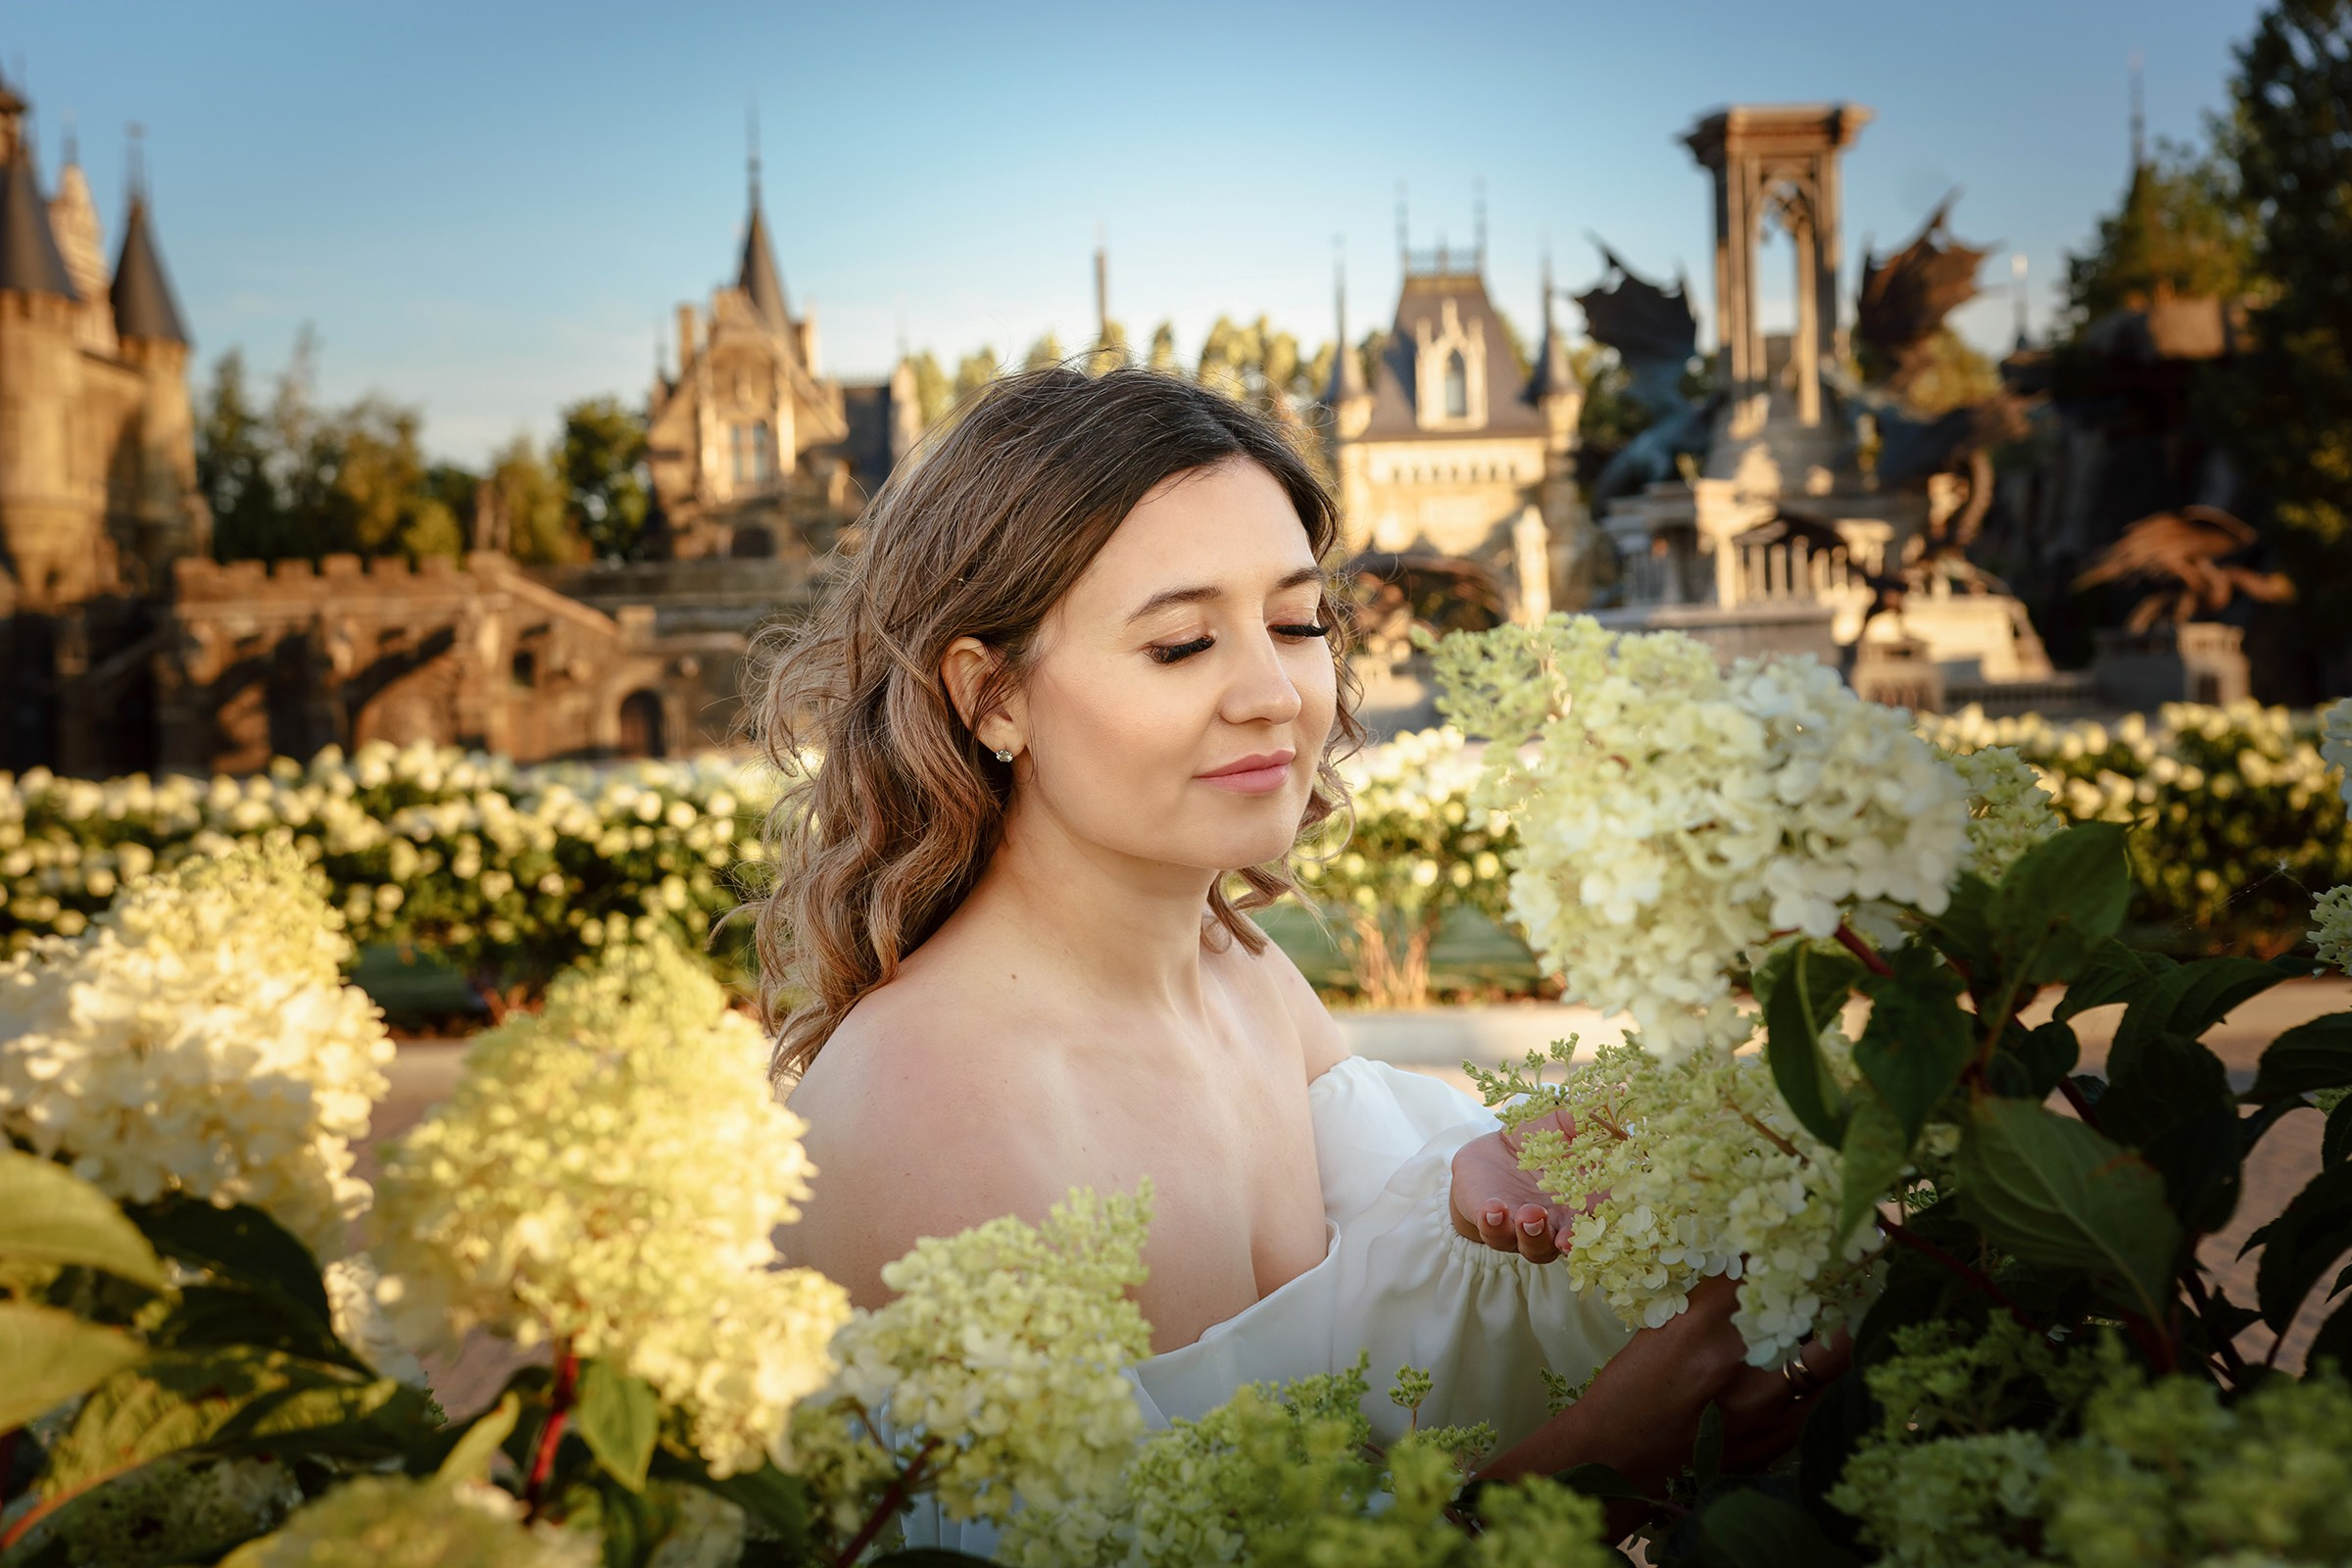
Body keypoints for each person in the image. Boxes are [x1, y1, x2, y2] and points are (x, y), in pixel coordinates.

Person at [756, 366, 1844, 1546]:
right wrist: (1596, 1475)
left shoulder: (1242, 972)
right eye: (1181, 643)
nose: (1275, 694)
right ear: (991, 697)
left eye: (1296, 623)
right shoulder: (933, 1107)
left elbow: (1365, 1317)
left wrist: (1471, 1197)